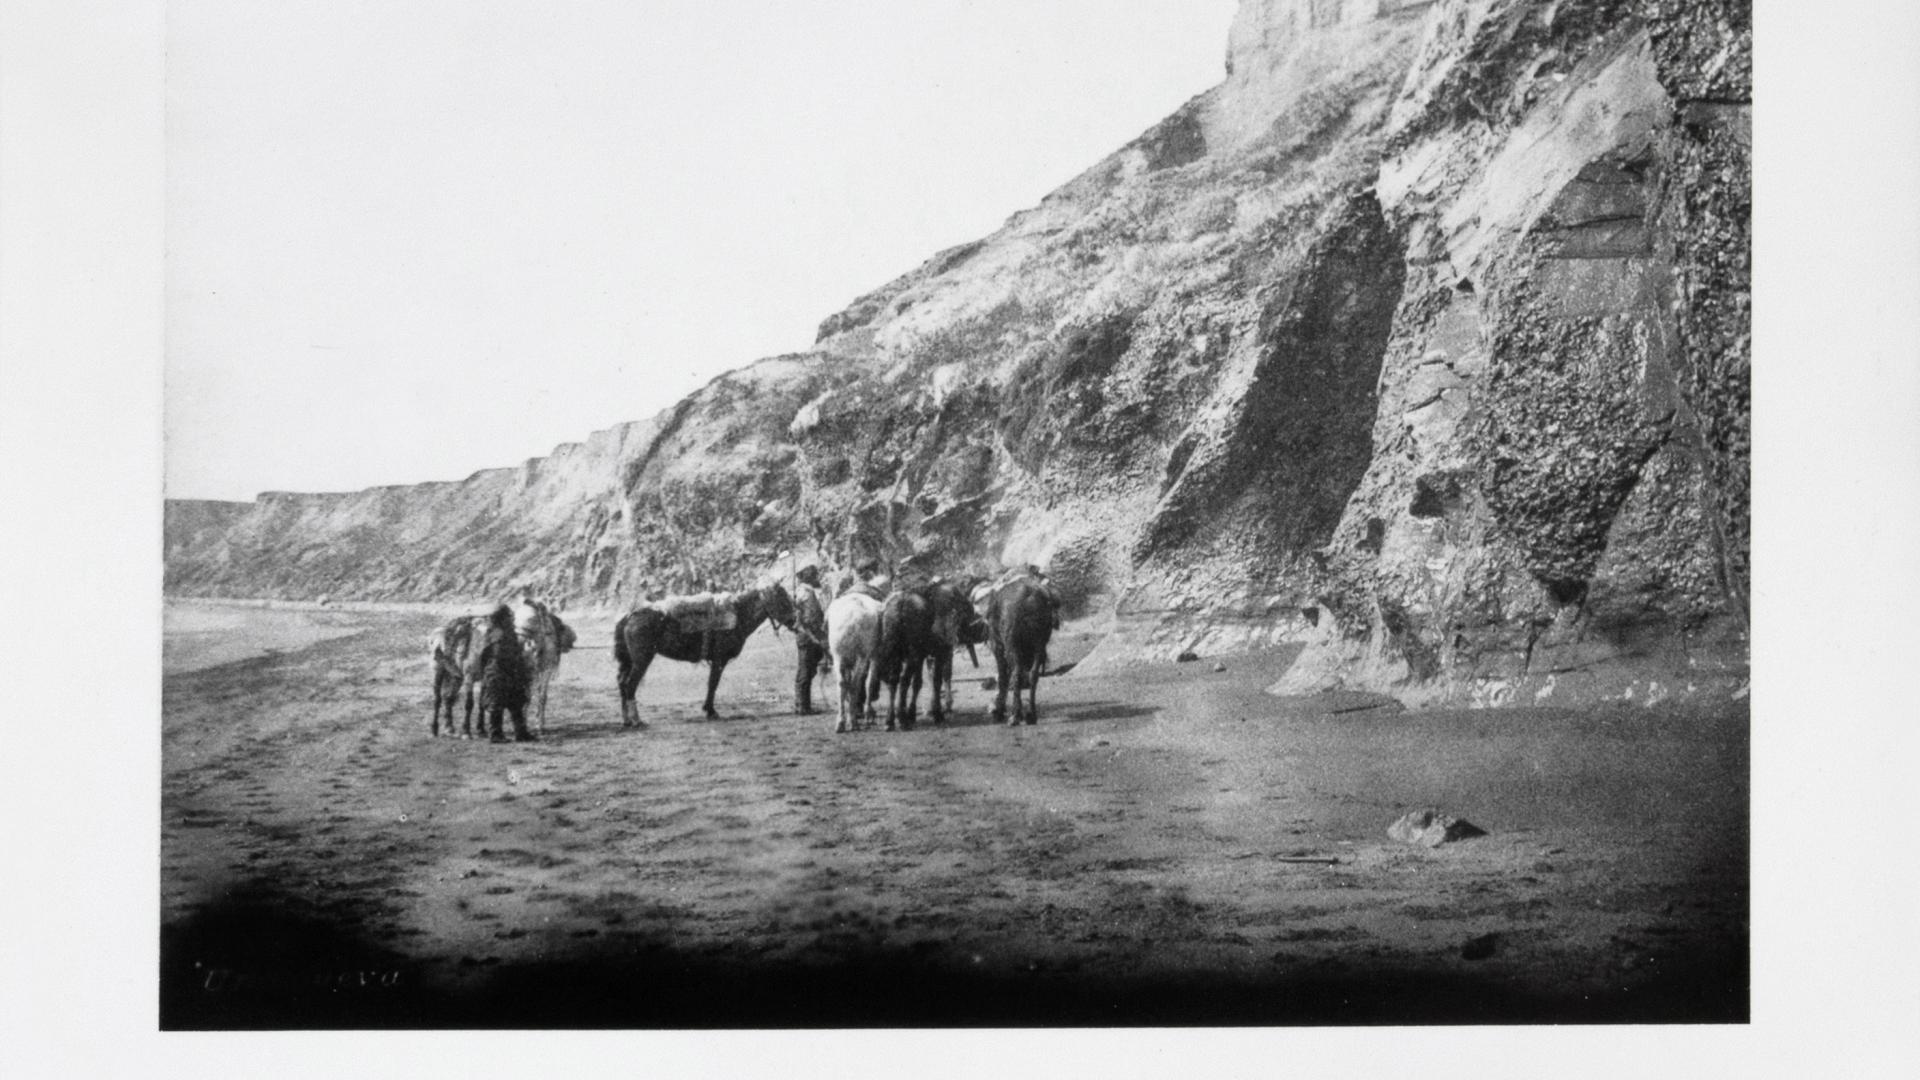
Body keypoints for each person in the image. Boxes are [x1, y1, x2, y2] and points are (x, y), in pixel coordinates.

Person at [476, 604, 536, 743]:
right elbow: (499, 655)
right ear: (503, 619)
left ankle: (521, 733)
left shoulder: (505, 632)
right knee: (497, 705)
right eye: (510, 616)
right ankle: (496, 735)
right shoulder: (499, 634)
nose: (513, 618)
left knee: (516, 703)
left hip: (505, 673)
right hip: (499, 673)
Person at [791, 564, 830, 715]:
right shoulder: (808, 593)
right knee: (806, 670)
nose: (817, 579)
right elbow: (811, 617)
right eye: (815, 576)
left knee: (807, 670)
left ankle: (802, 704)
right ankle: (802, 706)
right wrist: (819, 636)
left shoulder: (803, 591)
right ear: (810, 577)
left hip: (806, 635)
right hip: (809, 636)